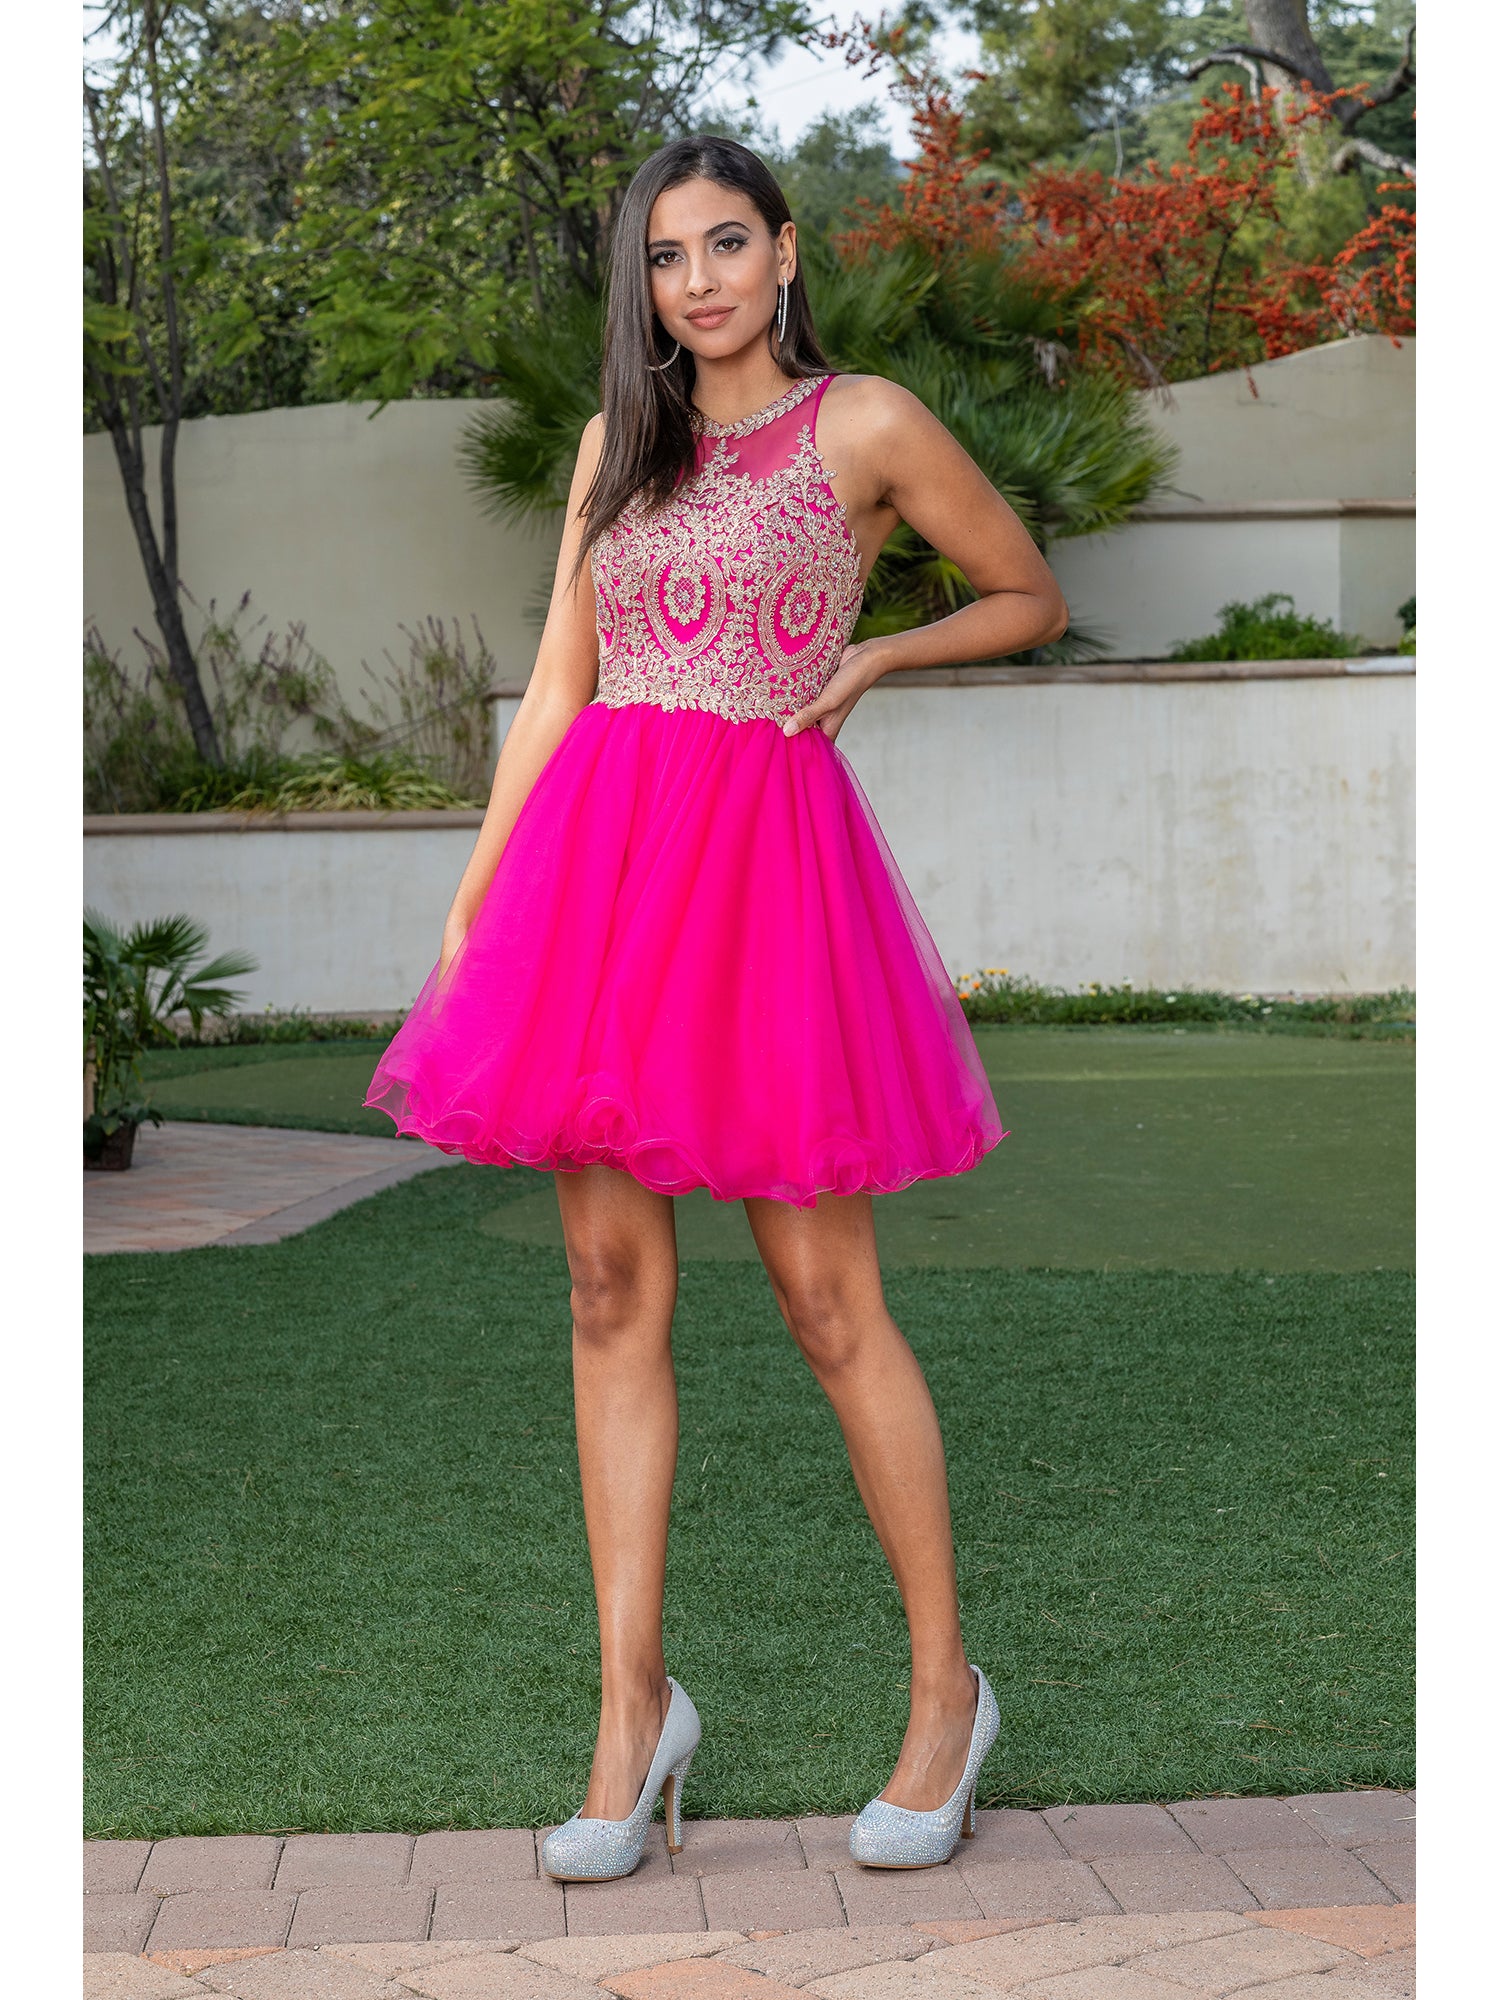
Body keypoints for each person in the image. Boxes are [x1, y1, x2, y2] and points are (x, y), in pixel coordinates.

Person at [364, 134, 1068, 1882]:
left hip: (765, 887)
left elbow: (1028, 592)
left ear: (785, 250)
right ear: (646, 284)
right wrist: (477, 895)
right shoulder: (621, 442)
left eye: (727, 243)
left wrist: (880, 656)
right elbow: (557, 681)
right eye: (668, 256)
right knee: (610, 1289)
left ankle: (942, 1695)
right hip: (592, 889)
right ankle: (631, 1713)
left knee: (829, 1303)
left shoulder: (868, 424)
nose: (700, 280)